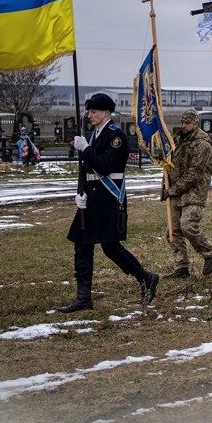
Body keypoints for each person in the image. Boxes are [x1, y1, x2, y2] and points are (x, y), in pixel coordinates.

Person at [56, 93, 159, 313]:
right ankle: (83, 297)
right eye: (89, 112)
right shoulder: (93, 136)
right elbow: (86, 171)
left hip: (108, 199)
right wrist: (80, 193)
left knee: (111, 247)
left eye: (94, 112)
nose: (90, 116)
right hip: (91, 199)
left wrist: (85, 149)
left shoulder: (116, 136)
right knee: (82, 244)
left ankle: (147, 278)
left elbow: (104, 165)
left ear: (106, 113)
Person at [163, 108, 212, 279]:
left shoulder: (203, 144)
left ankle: (209, 253)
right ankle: (182, 266)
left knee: (188, 225)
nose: (184, 125)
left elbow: (194, 173)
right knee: (173, 231)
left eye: (188, 123)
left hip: (194, 193)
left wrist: (173, 189)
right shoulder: (177, 139)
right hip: (176, 192)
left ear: (196, 123)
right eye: (182, 122)